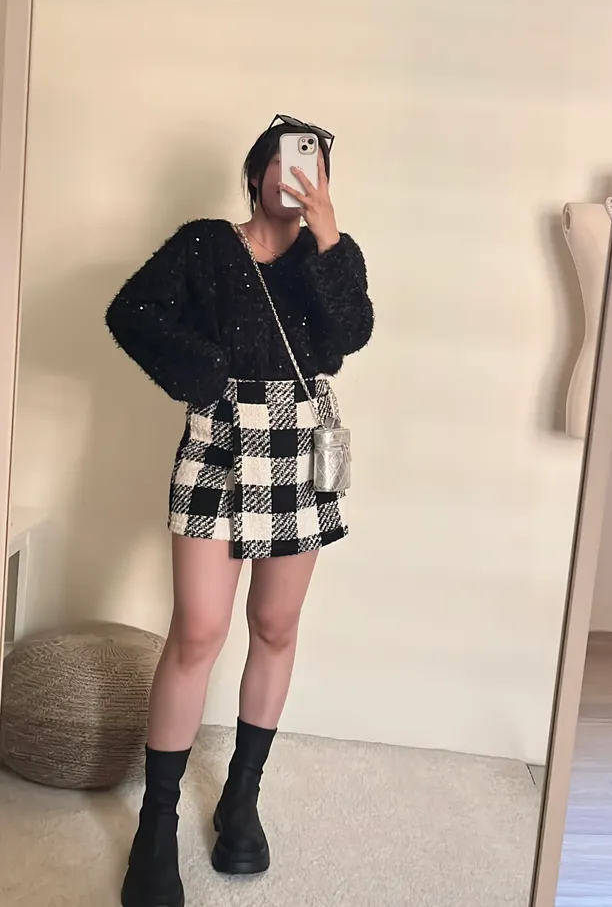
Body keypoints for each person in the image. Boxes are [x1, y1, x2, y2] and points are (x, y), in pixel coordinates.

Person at [106, 115, 374, 907]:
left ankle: (241, 797)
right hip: (220, 437)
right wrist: (208, 371)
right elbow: (131, 311)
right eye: (286, 162)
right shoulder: (203, 244)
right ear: (256, 172)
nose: (298, 176)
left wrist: (328, 236)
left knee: (276, 625)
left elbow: (349, 335)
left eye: (313, 167)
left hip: (299, 442)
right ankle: (156, 824)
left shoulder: (331, 253)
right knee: (196, 629)